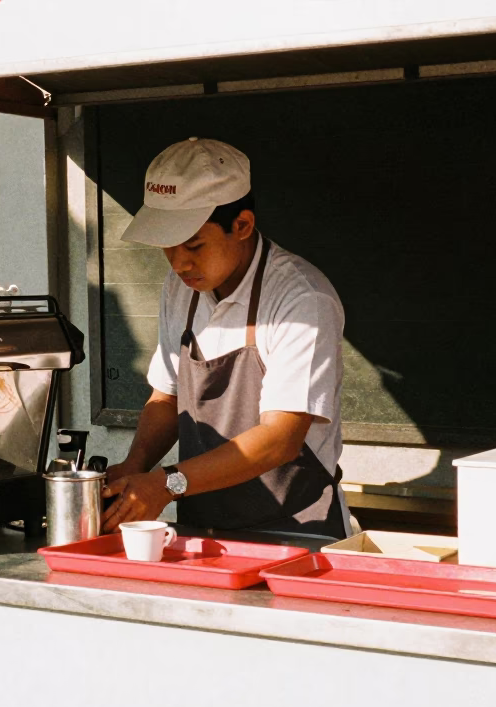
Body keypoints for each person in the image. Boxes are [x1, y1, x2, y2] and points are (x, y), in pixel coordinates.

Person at [101, 137, 349, 539]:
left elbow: (280, 440)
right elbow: (166, 399)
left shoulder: (302, 299)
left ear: (242, 225)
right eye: (167, 247)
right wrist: (135, 466)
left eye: (194, 244)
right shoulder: (180, 287)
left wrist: (165, 484)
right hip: (203, 529)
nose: (179, 263)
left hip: (298, 532)